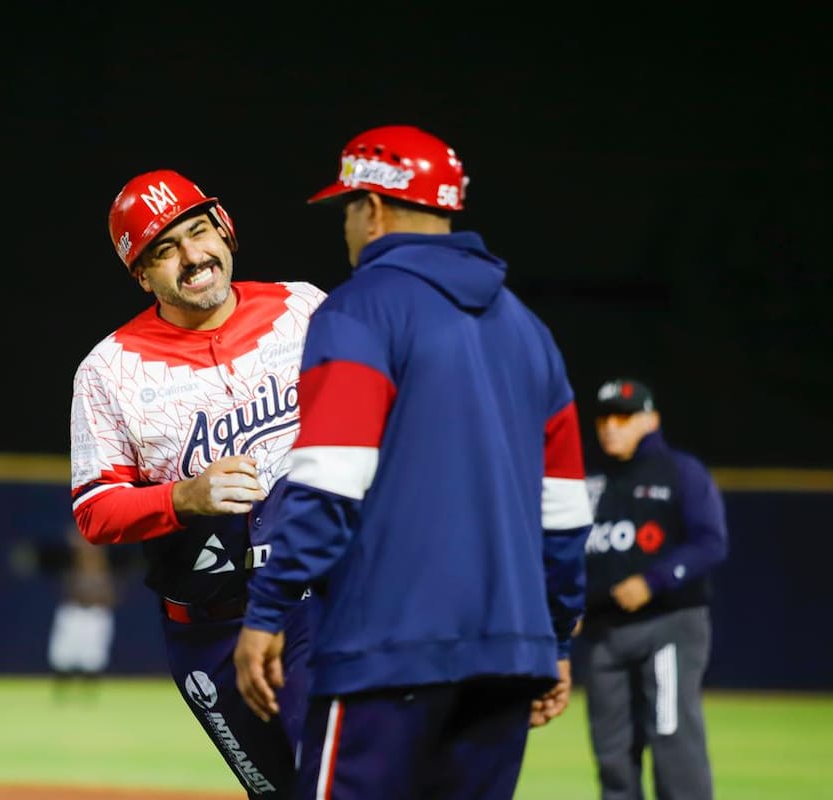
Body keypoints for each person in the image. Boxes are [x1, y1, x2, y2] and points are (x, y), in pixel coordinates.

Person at [233, 124, 593, 799]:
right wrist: (556, 641)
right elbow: (567, 515)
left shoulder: (360, 310)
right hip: (508, 659)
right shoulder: (530, 331)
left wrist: (268, 609)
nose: (345, 222)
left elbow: (330, 481)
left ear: (373, 208)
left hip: (384, 653)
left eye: (346, 206)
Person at [69, 169, 327, 798]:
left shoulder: (302, 309)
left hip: (318, 601)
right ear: (141, 274)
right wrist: (183, 497)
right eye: (164, 250)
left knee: (333, 781)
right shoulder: (109, 370)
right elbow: (95, 511)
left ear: (225, 229)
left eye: (198, 231)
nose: (193, 257)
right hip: (207, 627)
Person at [578, 378, 729, 800]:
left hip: (668, 624)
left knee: (672, 742)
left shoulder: (680, 471)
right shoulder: (589, 477)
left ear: (651, 420)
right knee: (612, 753)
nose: (611, 426)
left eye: (624, 417)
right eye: (605, 417)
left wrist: (654, 580)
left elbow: (711, 542)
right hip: (603, 633)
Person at [46, 527, 118, 702]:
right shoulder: (75, 562)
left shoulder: (102, 565)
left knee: (92, 657)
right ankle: (61, 694)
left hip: (95, 613)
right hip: (74, 612)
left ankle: (88, 695)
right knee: (63, 655)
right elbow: (76, 542)